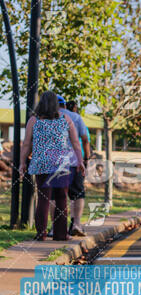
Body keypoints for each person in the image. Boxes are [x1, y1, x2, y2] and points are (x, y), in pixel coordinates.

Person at [19, 91, 85, 241]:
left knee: (43, 198)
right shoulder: (65, 118)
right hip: (61, 163)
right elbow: (75, 142)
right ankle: (61, 234)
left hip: (41, 163)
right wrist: (80, 161)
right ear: (56, 104)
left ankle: (41, 233)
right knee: (62, 198)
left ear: (40, 103)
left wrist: (22, 162)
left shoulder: (34, 120)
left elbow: (26, 144)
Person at [58, 95, 90, 236]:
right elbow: (84, 139)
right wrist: (85, 158)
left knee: (56, 195)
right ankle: (76, 223)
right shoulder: (75, 117)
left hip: (54, 163)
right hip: (74, 161)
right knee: (77, 193)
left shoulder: (44, 117)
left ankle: (56, 227)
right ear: (64, 105)